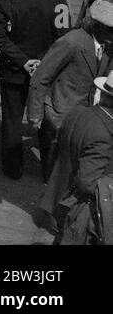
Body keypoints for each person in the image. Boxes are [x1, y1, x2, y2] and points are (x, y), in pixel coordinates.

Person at [0, 0, 63, 180]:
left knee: (11, 119)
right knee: (48, 119)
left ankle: (13, 168)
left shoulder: (3, 2)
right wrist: (44, 62)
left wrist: (23, 61)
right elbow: (64, 37)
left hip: (14, 70)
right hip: (48, 71)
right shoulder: (59, 3)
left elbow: (0, 37)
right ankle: (48, 170)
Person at [30, 1, 113, 183]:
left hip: (83, 114)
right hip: (58, 113)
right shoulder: (71, 42)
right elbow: (41, 77)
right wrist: (36, 113)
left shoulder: (107, 47)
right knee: (52, 166)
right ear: (98, 27)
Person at [42, 72, 113, 245]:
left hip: (62, 199)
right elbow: (87, 182)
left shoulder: (78, 112)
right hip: (85, 215)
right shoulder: (103, 134)